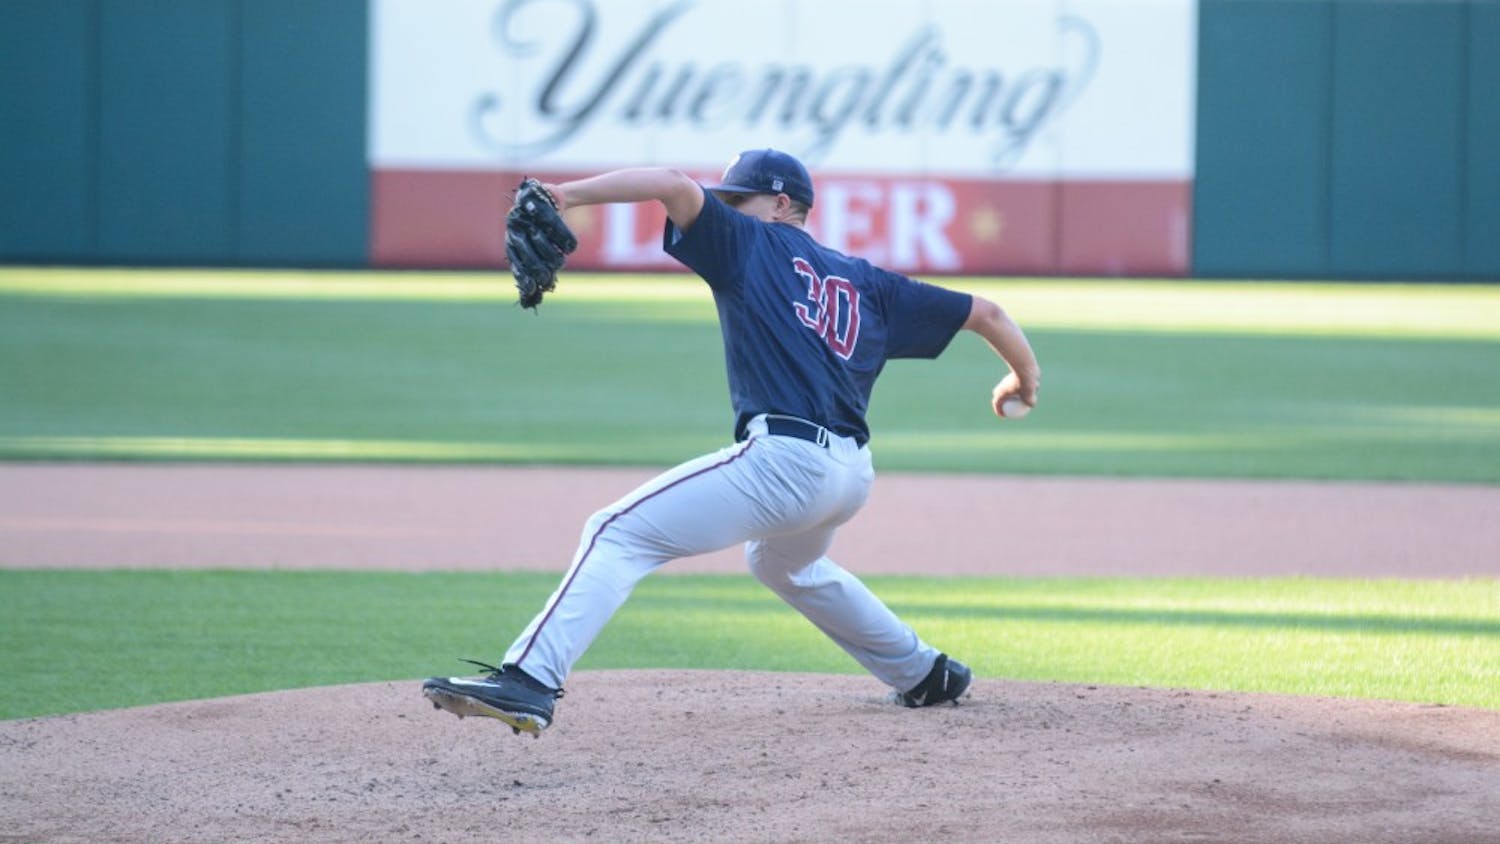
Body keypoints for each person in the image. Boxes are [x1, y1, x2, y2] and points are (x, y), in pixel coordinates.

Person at [422, 149, 1041, 735]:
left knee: (617, 532)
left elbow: (669, 183)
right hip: (851, 476)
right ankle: (924, 673)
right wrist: (1023, 378)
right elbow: (986, 313)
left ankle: (531, 679)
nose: (724, 207)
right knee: (781, 562)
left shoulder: (748, 242)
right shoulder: (867, 282)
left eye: (739, 197)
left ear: (781, 205)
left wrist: (568, 193)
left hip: (786, 463)